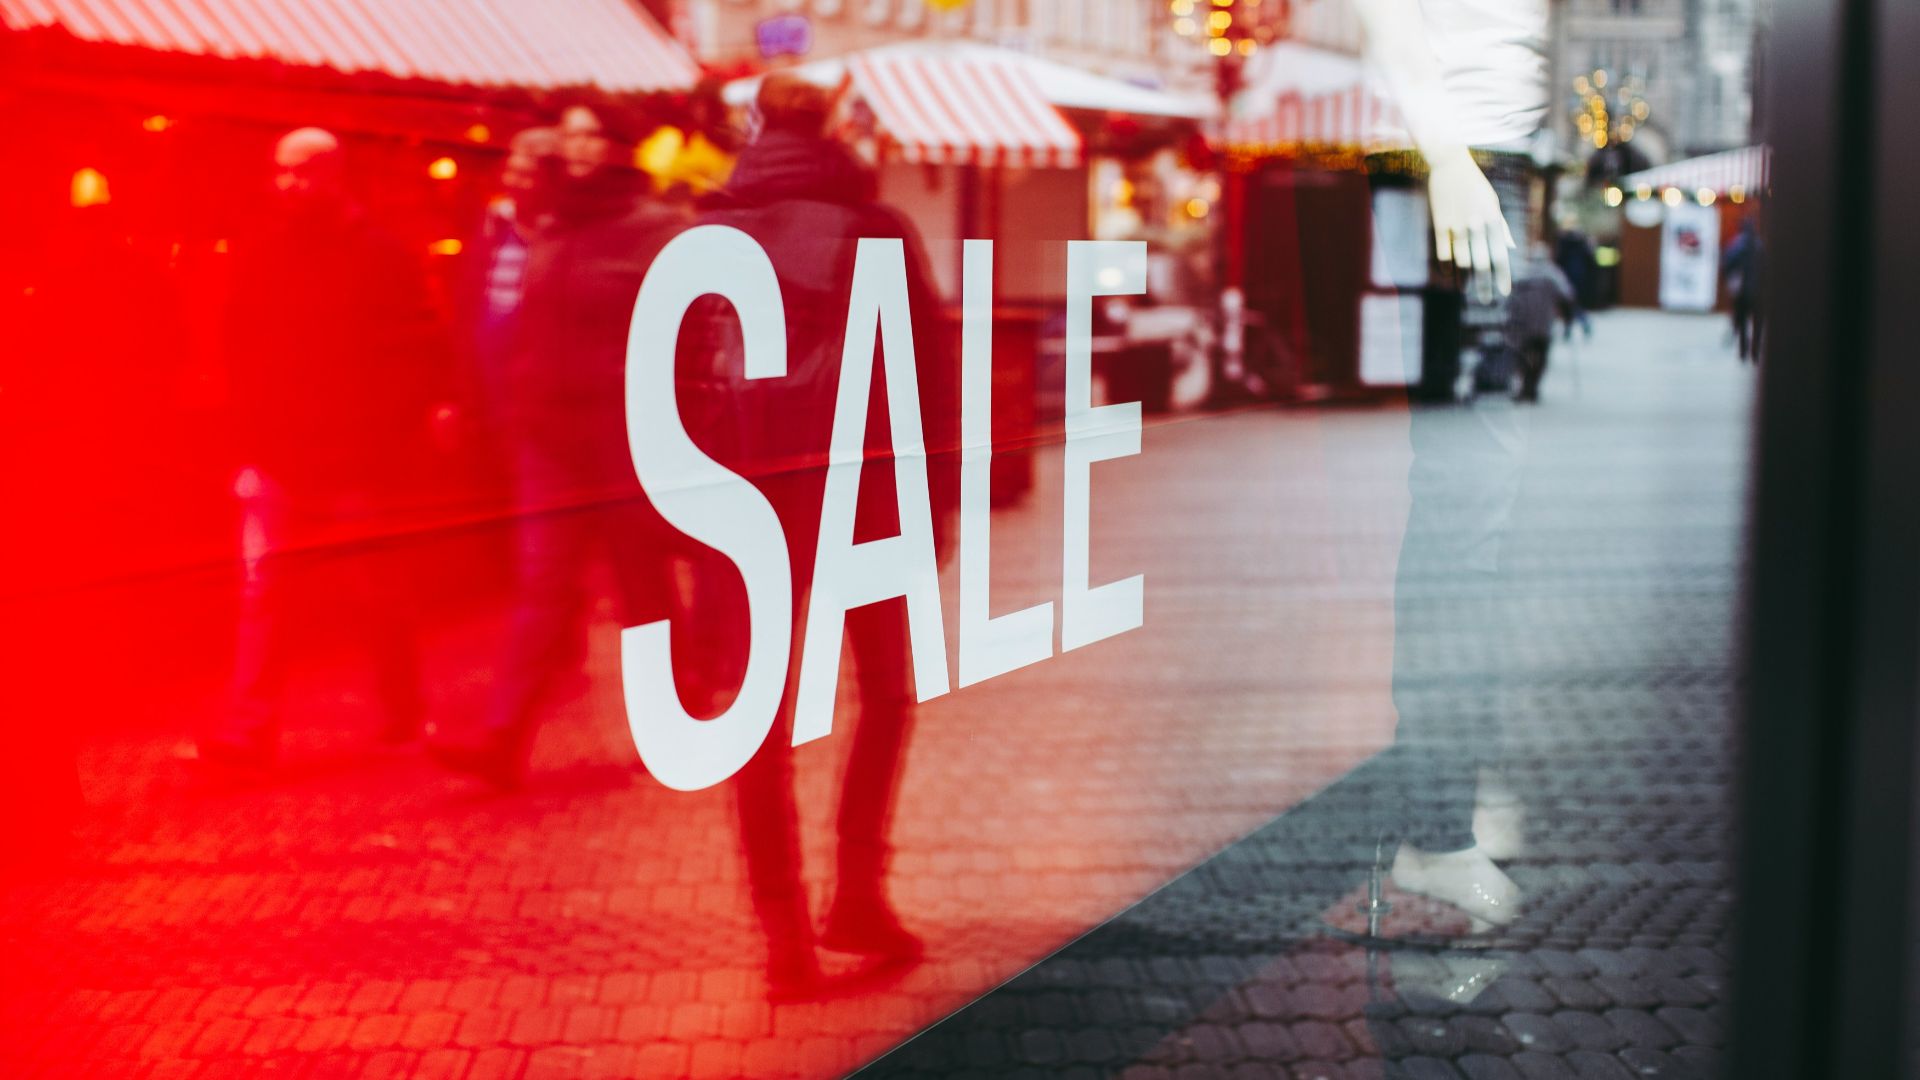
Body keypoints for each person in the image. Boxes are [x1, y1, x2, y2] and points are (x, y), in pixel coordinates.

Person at [681, 72, 959, 997]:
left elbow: (671, 388)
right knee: (884, 689)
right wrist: (941, 501)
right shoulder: (876, 229)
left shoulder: (706, 233)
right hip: (863, 494)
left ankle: (784, 938)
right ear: (835, 129)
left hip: (739, 501)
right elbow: (930, 376)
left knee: (757, 719)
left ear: (755, 129)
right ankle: (859, 896)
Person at [429, 103, 687, 789]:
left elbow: (689, 334)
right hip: (549, 440)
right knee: (541, 588)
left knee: (643, 591)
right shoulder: (550, 224)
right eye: (569, 132)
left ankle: (671, 730)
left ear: (619, 146)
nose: (575, 145)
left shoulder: (660, 230)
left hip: (626, 438)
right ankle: (501, 741)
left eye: (590, 132)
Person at [202, 128, 454, 770]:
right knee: (270, 597)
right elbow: (240, 354)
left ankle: (396, 711)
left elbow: (415, 355)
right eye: (280, 172)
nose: (287, 185)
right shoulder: (269, 254)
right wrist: (247, 449)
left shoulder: (377, 255)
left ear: (332, 174)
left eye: (300, 173)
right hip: (289, 456)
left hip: (352, 457)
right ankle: (250, 730)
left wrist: (381, 433)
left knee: (372, 594)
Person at [1508, 242, 1576, 402]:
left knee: (1523, 353)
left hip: (1522, 323)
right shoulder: (1553, 274)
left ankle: (1525, 384)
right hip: (1543, 322)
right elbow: (1567, 294)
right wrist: (1567, 317)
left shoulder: (1523, 273)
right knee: (1541, 354)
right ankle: (1532, 386)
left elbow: (1511, 298)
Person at [1722, 217, 1764, 362]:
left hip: (1743, 290)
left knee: (1743, 320)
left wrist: (1730, 278)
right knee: (1757, 322)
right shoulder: (1760, 245)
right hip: (1759, 290)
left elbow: (1728, 262)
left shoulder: (1738, 245)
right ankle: (1755, 350)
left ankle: (1743, 350)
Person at [1553, 223, 1596, 340]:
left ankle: (1572, 327)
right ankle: (1582, 324)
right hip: (1579, 281)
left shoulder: (1564, 246)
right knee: (1575, 306)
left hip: (1567, 280)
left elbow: (1559, 262)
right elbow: (1591, 263)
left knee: (1571, 307)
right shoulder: (1582, 246)